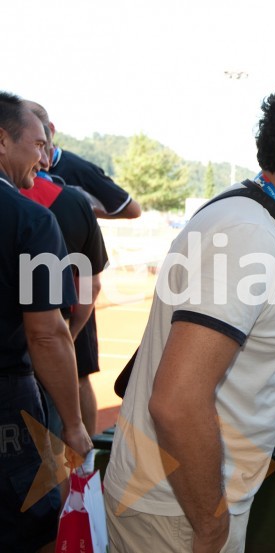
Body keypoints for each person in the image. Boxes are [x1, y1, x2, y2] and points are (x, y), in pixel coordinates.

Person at [104, 76, 275, 552]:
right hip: (178, 512)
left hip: (176, 502)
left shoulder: (249, 216)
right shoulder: (250, 234)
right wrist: (210, 523)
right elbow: (177, 400)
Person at [0, 91, 93, 552]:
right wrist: (74, 425)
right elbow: (46, 330)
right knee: (28, 527)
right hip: (6, 404)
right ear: (2, 140)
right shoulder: (30, 219)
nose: (45, 156)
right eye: (37, 144)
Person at [19, 116, 109, 438]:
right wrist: (67, 339)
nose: (43, 158)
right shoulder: (65, 203)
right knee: (50, 459)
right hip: (45, 349)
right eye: (39, 146)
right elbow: (91, 284)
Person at [24, 100, 142, 219]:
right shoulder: (13, 168)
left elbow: (133, 210)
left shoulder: (78, 170)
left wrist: (81, 211)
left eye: (40, 141)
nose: (43, 160)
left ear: (51, 130)